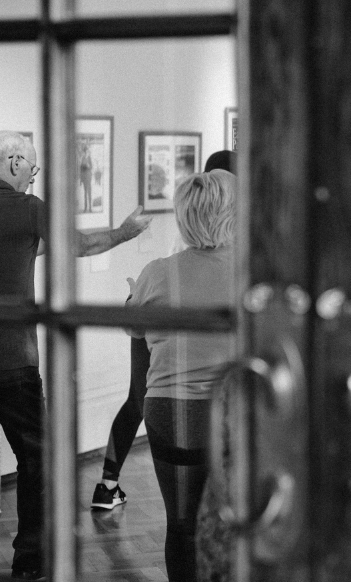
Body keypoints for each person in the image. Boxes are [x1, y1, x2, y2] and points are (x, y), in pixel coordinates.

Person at [0, 131, 151, 579]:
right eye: (32, 167)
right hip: (14, 364)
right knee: (40, 460)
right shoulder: (29, 209)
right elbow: (79, 246)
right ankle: (30, 561)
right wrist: (126, 232)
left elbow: (28, 247)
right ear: (13, 162)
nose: (33, 176)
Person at [91, 150, 237, 511]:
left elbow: (135, 321)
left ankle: (108, 482)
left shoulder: (164, 263)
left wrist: (137, 297)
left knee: (139, 397)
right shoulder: (248, 262)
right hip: (216, 387)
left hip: (170, 366)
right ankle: (108, 482)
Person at [126, 170, 238, 581]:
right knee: (238, 520)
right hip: (234, 409)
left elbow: (134, 329)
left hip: (172, 411)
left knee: (181, 523)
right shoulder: (253, 272)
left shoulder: (157, 272)